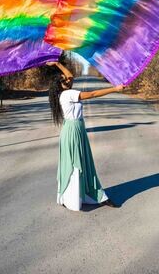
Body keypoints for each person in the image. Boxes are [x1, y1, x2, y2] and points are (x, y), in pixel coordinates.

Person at [47, 61, 125, 211]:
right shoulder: (69, 93)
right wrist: (115, 88)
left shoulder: (62, 93)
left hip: (73, 129)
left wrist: (57, 63)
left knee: (76, 161)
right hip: (74, 130)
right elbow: (93, 94)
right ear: (63, 84)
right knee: (77, 162)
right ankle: (76, 198)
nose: (70, 78)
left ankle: (76, 196)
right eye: (66, 79)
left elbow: (70, 75)